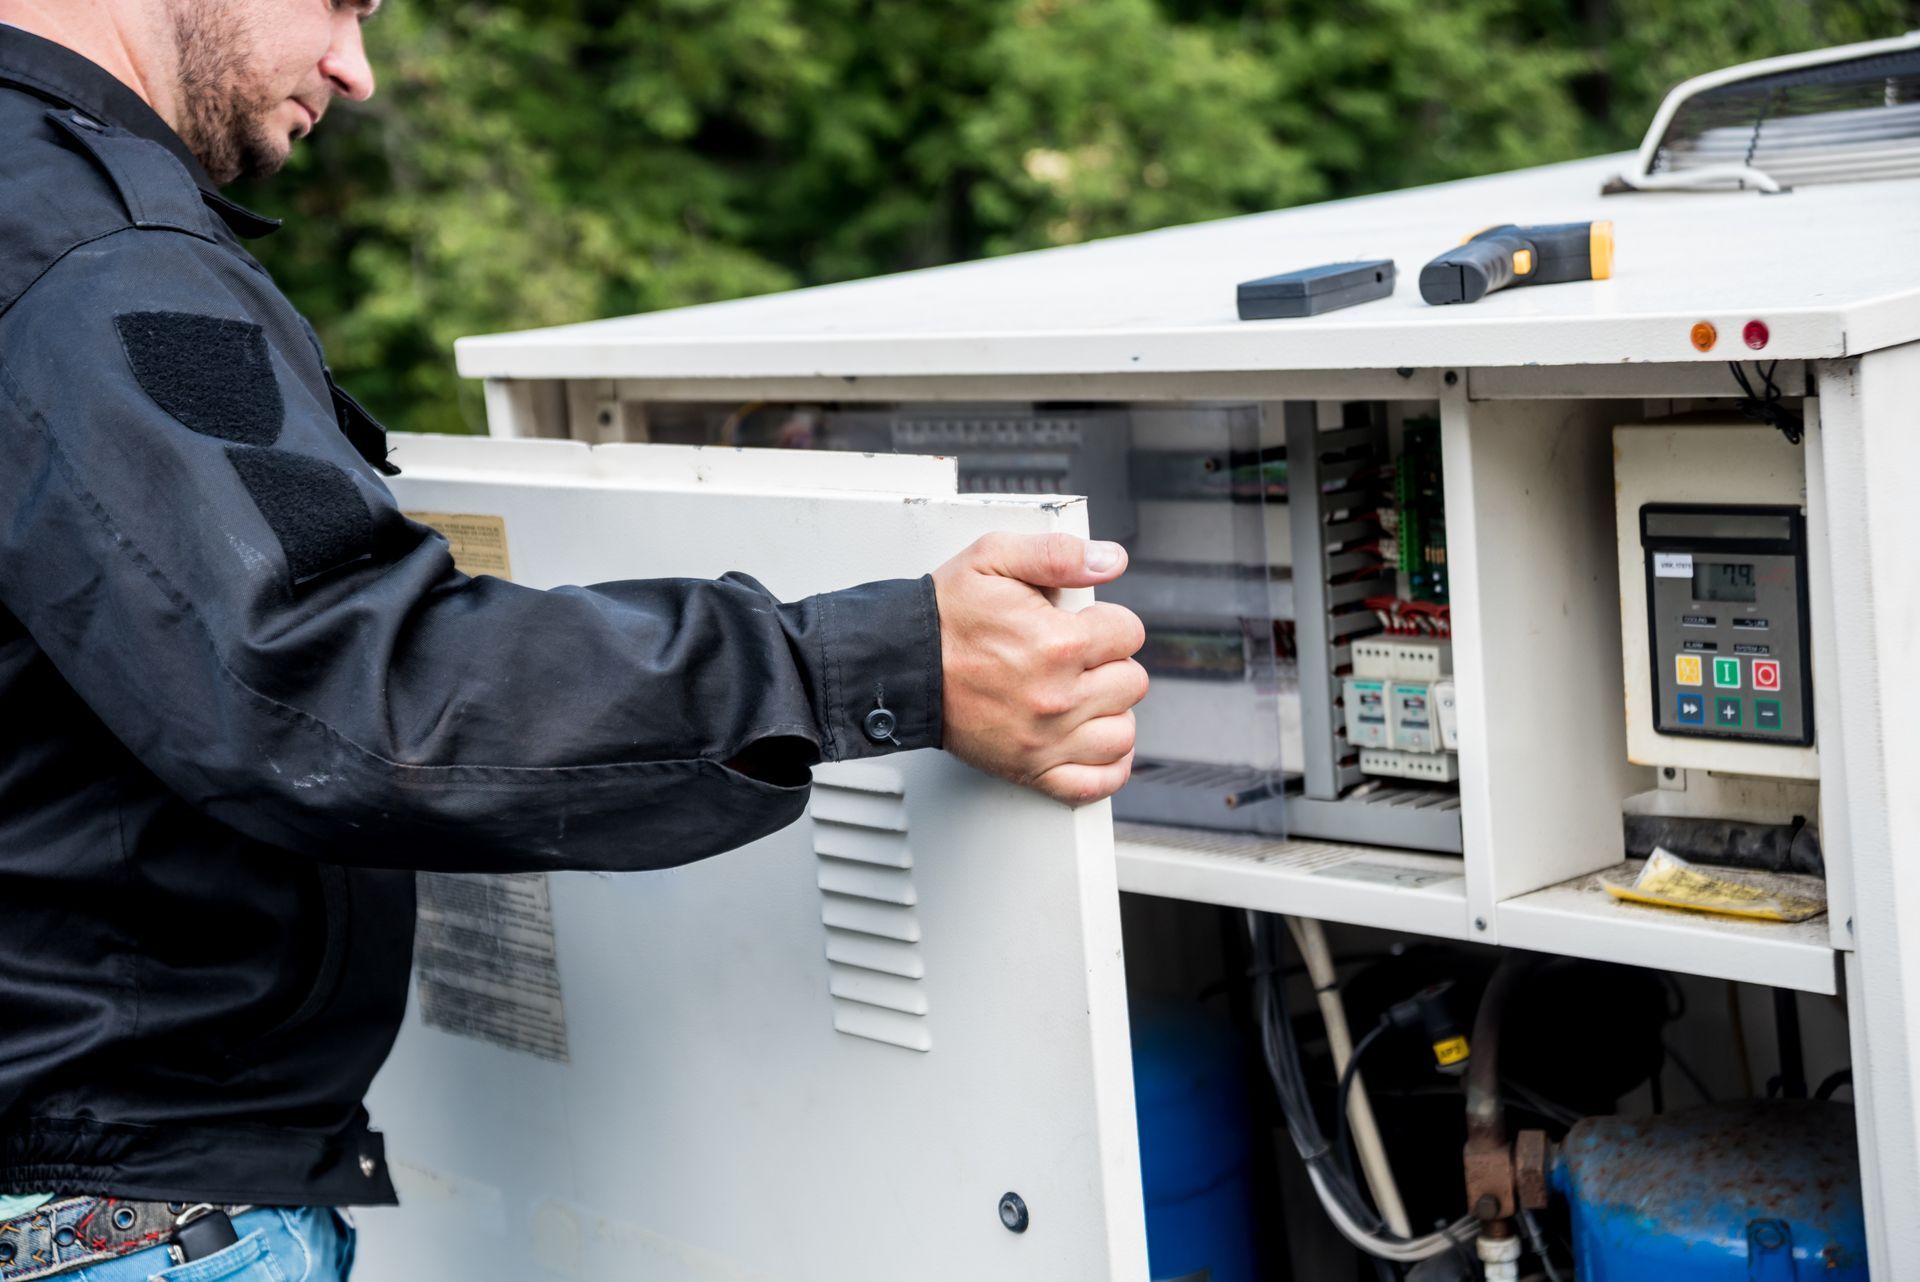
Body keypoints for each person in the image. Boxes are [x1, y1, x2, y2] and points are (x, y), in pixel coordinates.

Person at [0, 2, 1148, 1277]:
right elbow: (354, 693)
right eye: (343, 0)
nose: (358, 70)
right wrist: (881, 660)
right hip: (120, 1225)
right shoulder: (91, 250)